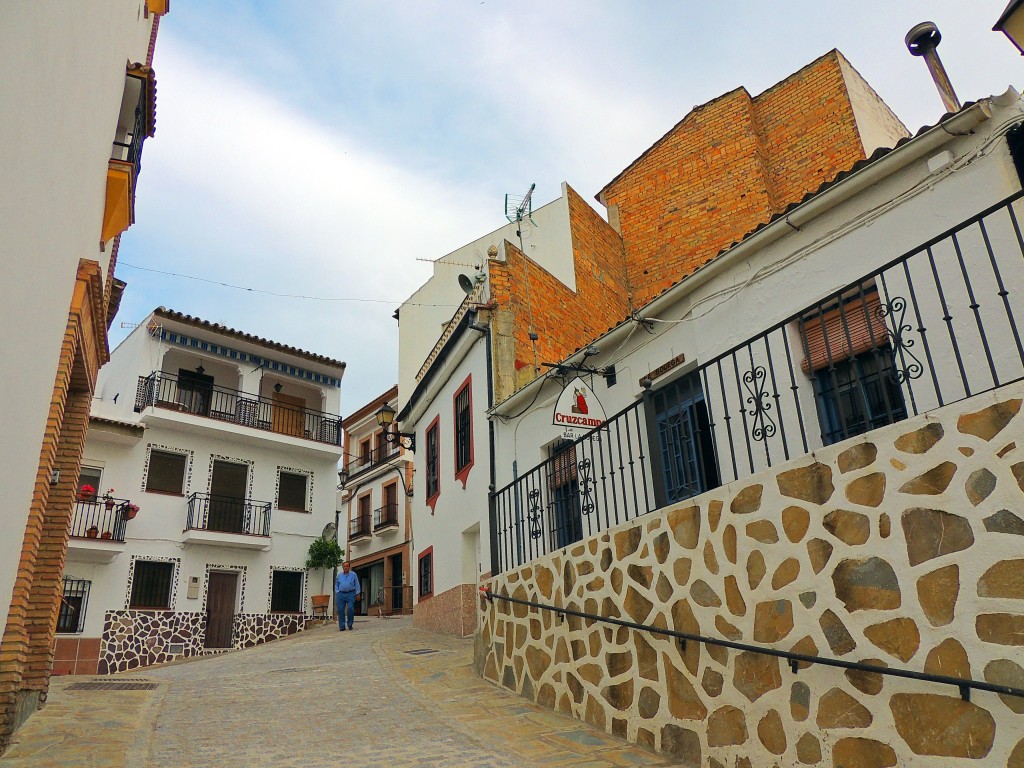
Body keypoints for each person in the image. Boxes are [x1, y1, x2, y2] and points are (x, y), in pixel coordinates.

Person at [334, 561, 360, 631]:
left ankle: (350, 624)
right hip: (341, 594)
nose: (346, 567)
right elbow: (336, 585)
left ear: (349, 567)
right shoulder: (339, 575)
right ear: (342, 567)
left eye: (347, 566)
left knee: (351, 608)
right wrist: (337, 592)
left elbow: (357, 584)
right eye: (344, 566)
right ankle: (342, 626)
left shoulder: (353, 574)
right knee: (340, 610)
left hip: (351, 593)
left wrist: (358, 593)